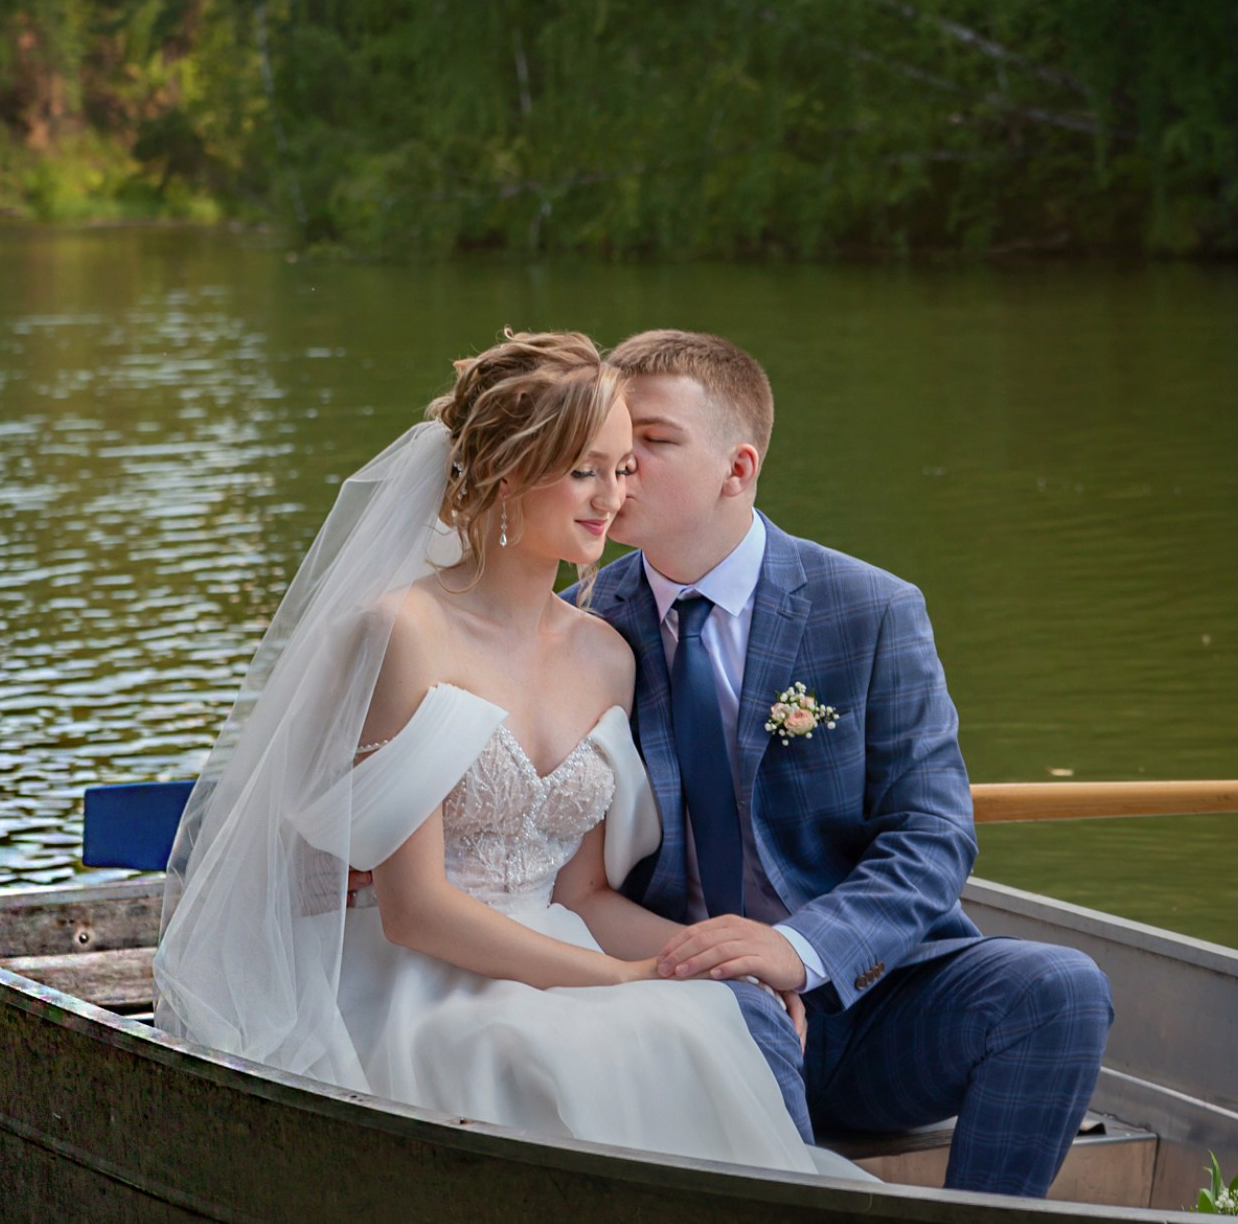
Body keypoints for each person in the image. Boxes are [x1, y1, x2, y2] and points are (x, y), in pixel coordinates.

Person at [152, 330, 864, 1179]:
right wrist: (624, 980)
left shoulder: (610, 655)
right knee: (536, 1051)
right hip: (419, 974)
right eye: (583, 470)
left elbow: (583, 890)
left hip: (558, 940)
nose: (612, 497)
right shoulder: (403, 630)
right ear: (504, 473)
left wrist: (697, 955)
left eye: (622, 468)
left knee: (714, 1011)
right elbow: (412, 908)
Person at [567, 329, 1113, 1198]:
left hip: (867, 1001)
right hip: (672, 1000)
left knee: (1059, 985)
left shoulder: (871, 610)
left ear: (736, 469)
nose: (620, 466)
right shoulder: (575, 626)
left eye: (654, 441)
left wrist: (795, 948)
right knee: (737, 1006)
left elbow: (932, 837)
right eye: (610, 442)